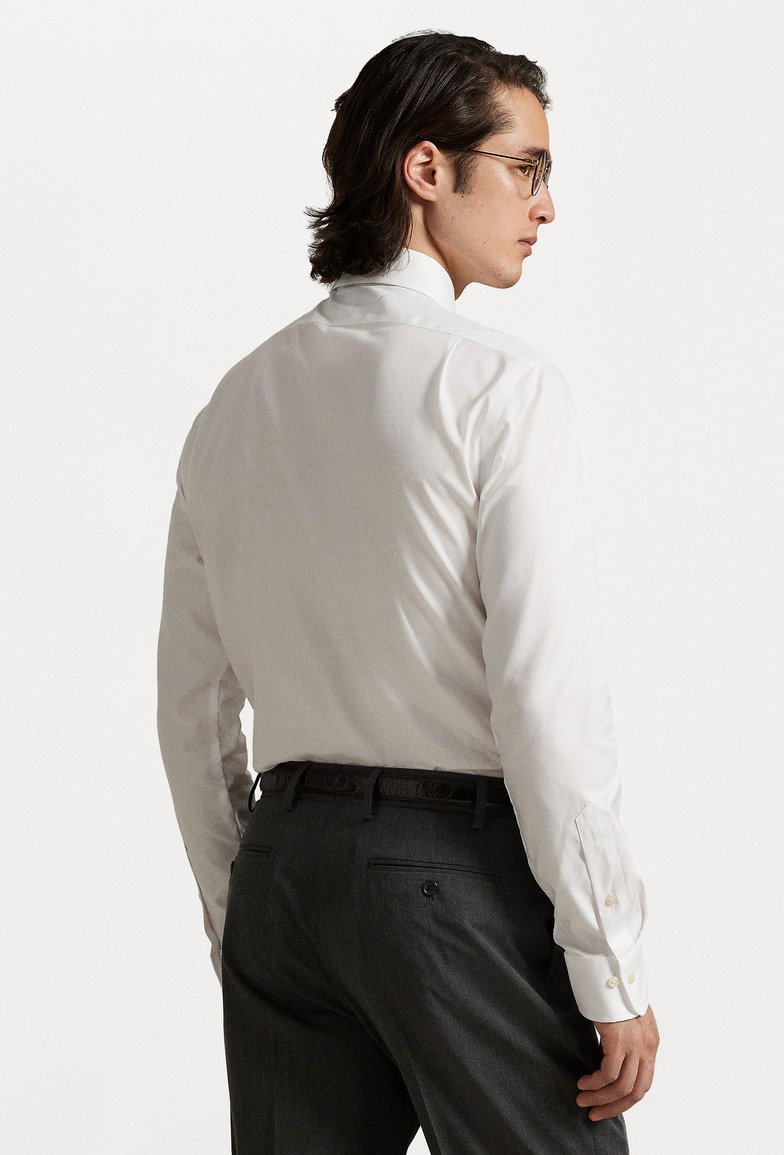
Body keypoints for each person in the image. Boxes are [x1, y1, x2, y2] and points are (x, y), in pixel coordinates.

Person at [156, 29, 660, 1155]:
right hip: (447, 878)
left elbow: (190, 704)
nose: (544, 206)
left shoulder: (234, 405)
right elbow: (545, 698)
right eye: (523, 168)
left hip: (283, 873)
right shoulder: (499, 388)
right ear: (426, 169)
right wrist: (607, 959)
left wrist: (244, 909)